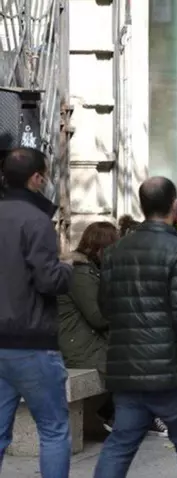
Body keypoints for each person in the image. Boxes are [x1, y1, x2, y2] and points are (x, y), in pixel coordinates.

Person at [93, 177, 177, 477]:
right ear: (174, 206)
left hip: (127, 370)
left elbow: (106, 308)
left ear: (142, 206)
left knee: (120, 444)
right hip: (173, 372)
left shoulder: (115, 252)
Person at [0, 148, 73, 477]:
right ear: (36, 178)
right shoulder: (36, 220)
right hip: (31, 341)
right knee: (54, 430)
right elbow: (48, 280)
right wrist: (68, 269)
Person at [57, 222, 168, 436]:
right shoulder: (80, 275)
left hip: (90, 340)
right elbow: (98, 317)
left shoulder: (93, 270)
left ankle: (115, 412)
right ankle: (119, 414)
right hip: (78, 347)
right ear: (100, 248)